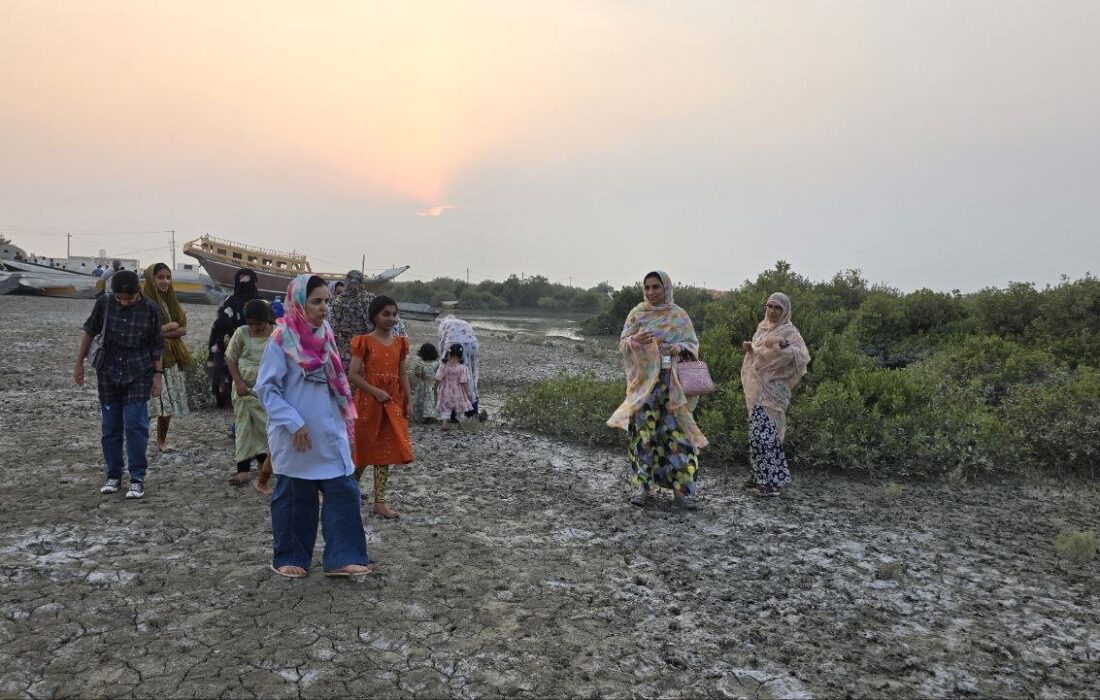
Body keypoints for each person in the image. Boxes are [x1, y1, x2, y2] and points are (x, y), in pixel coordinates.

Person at [254, 274, 371, 578]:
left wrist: (347, 427)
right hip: (295, 434)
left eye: (326, 302)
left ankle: (342, 556)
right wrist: (294, 423)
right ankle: (290, 556)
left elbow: (336, 382)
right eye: (316, 302)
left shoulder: (325, 334)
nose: (324, 308)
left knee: (343, 490)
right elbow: (267, 389)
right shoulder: (281, 340)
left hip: (328, 429)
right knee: (295, 495)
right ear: (299, 302)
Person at [607, 271, 707, 510]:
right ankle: (644, 488)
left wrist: (677, 348)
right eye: (647, 287)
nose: (651, 292)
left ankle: (682, 493)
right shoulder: (636, 314)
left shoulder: (678, 315)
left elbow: (693, 346)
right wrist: (635, 341)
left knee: (677, 436)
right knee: (644, 436)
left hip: (672, 385)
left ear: (666, 288)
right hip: (644, 387)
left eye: (656, 287)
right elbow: (622, 345)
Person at [73, 270, 164, 499]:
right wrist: (79, 364)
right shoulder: (104, 303)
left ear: (139, 292)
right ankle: (113, 475)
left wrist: (158, 375)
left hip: (139, 371)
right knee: (111, 427)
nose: (124, 302)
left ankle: (137, 477)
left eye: (129, 298)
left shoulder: (150, 309)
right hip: (108, 372)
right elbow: (89, 331)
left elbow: (156, 346)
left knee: (136, 425)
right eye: (119, 298)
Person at [348, 295, 413, 520]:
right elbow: (353, 375)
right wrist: (375, 392)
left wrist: (408, 399)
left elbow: (402, 373)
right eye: (386, 314)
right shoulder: (363, 341)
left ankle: (380, 502)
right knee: (364, 450)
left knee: (385, 450)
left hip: (393, 402)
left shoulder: (400, 343)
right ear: (374, 316)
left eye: (394, 314)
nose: (391, 318)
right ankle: (347, 494)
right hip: (368, 403)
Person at [740, 292, 810, 497]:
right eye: (769, 306)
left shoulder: (790, 331)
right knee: (756, 435)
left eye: (777, 308)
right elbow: (758, 351)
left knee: (767, 436)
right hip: (757, 389)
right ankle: (761, 476)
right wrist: (750, 348)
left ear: (785, 310)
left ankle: (769, 484)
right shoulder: (762, 328)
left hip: (774, 391)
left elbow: (802, 355)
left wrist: (783, 345)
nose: (772, 311)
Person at [143, 263, 191, 452]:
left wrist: (165, 330)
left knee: (167, 404)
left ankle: (160, 440)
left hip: (170, 358)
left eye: (167, 277)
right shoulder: (144, 302)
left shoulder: (171, 300)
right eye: (160, 277)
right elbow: (147, 334)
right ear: (151, 278)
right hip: (151, 360)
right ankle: (139, 438)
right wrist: (169, 327)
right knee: (149, 404)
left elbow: (184, 329)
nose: (165, 281)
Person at [225, 299, 274, 486]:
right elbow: (231, 358)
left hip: (266, 391)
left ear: (267, 319)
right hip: (243, 390)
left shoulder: (277, 333)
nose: (253, 328)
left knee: (265, 428)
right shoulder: (241, 332)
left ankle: (264, 463)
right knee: (244, 427)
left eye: (258, 324)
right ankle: (243, 470)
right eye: (250, 323)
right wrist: (238, 382)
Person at [330, 270, 406, 372]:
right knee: (365, 376)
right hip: (367, 345)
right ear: (362, 282)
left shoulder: (336, 301)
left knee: (346, 377)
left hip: (344, 347)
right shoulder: (370, 298)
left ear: (347, 282)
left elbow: (333, 326)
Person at [208, 269, 259, 408]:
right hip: (253, 353)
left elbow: (220, 325)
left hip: (230, 349)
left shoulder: (230, 302)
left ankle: (228, 400)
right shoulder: (259, 303)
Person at [436, 315, 481, 421]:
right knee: (470, 376)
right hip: (472, 344)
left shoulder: (443, 324)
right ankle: (472, 411)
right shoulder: (462, 322)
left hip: (453, 344)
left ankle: (451, 412)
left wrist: (443, 362)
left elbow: (441, 346)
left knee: (452, 380)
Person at [435, 344, 474, 425]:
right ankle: (461, 422)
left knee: (445, 409)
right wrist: (468, 392)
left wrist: (435, 388)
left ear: (449, 354)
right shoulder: (463, 368)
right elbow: (464, 382)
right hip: (458, 392)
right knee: (460, 408)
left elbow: (438, 378)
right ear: (461, 355)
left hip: (445, 391)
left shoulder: (443, 366)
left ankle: (444, 423)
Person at [408, 342, 441, 424]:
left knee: (421, 400)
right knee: (433, 400)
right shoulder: (437, 363)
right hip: (434, 384)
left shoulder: (420, 363)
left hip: (423, 384)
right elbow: (440, 374)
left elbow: (417, 374)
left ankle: (421, 416)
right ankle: (433, 415)